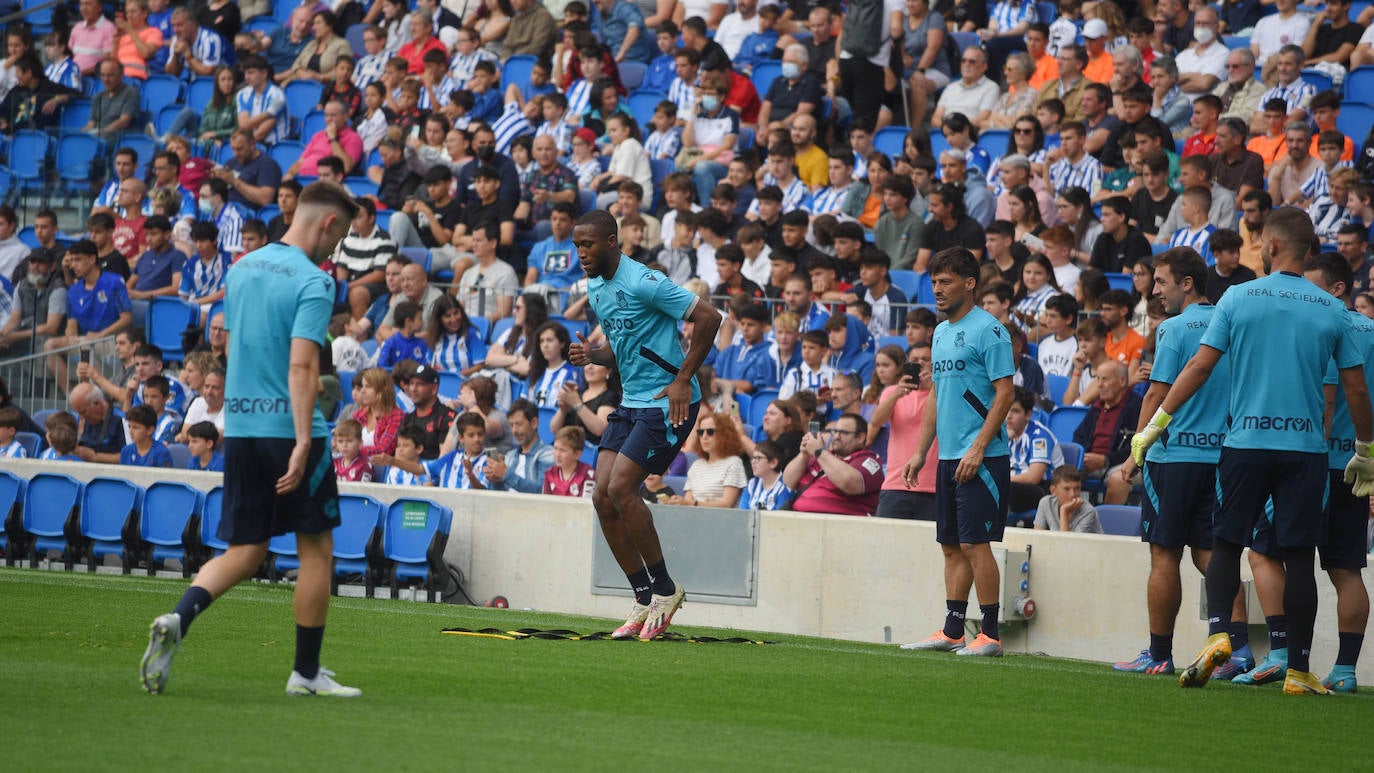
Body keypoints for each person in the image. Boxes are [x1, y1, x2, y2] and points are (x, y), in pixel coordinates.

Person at [1132, 208, 1374, 695]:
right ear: (1309, 251)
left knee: (1225, 545)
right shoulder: (1331, 308)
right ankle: (1300, 671)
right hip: (1305, 450)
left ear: (1270, 244)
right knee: (1301, 559)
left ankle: (1220, 633)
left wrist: (1155, 424)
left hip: (1243, 444)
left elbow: (1199, 368)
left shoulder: (1238, 297)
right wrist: (1366, 450)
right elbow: (1354, 392)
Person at [139, 182, 362, 697]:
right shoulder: (314, 280)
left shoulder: (241, 270)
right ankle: (305, 674)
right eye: (342, 234)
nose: (338, 246)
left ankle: (178, 618)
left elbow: (235, 350)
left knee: (244, 549)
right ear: (328, 223)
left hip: (241, 429)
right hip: (290, 430)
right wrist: (305, 440)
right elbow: (302, 365)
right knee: (315, 552)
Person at [568, 210, 721, 640]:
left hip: (666, 403)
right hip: (632, 401)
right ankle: (642, 597)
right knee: (600, 495)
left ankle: (666, 589)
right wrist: (592, 356)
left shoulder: (643, 281)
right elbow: (621, 349)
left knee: (620, 488)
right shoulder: (596, 286)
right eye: (577, 245)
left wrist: (682, 379)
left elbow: (709, 317)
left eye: (589, 244)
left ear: (613, 242)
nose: (581, 253)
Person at [1109, 246, 1244, 675]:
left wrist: (1135, 453)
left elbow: (1155, 392)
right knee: (1211, 554)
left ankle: (1159, 654)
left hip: (1173, 456)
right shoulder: (1230, 325)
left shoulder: (1174, 328)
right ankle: (1237, 650)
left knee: (1164, 554)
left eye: (1162, 281)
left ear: (1187, 283)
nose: (1156, 290)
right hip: (1220, 456)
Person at [900, 247, 1014, 656]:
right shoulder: (941, 332)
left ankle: (990, 633)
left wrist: (979, 448)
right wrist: (919, 451)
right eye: (933, 283)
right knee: (950, 544)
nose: (938, 290)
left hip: (982, 458)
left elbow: (1006, 392)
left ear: (970, 283)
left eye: (946, 281)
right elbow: (935, 396)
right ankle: (952, 629)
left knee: (974, 544)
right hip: (948, 456)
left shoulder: (990, 330)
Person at [784, 412, 885, 516]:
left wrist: (820, 451)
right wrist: (804, 455)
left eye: (843, 432)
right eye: (835, 431)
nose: (836, 436)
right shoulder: (823, 456)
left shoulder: (869, 459)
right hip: (801, 521)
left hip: (841, 527)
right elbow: (788, 481)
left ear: (860, 437)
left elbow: (849, 482)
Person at [670, 412, 747, 508]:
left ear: (724, 434)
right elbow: (688, 500)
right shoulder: (696, 465)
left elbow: (727, 504)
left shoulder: (734, 463)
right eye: (701, 432)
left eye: (710, 432)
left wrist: (694, 503)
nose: (704, 437)